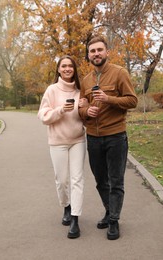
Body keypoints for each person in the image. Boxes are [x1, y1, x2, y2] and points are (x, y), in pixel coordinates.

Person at [79, 35, 138, 240]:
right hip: (93, 138)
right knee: (100, 180)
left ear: (107, 52)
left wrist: (108, 99)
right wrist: (87, 112)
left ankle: (113, 220)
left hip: (115, 136)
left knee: (116, 180)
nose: (96, 54)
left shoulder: (119, 73)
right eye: (92, 51)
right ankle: (109, 210)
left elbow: (132, 101)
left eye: (99, 50)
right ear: (88, 55)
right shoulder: (85, 79)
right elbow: (81, 107)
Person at [38, 55, 86, 239]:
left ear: (74, 69)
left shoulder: (80, 90)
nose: (67, 69)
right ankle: (66, 206)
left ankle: (75, 218)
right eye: (63, 66)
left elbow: (85, 115)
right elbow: (42, 115)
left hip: (77, 140)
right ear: (58, 69)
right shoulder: (51, 90)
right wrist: (60, 111)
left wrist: (86, 106)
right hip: (57, 141)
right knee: (62, 180)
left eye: (70, 66)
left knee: (77, 180)